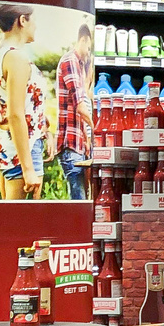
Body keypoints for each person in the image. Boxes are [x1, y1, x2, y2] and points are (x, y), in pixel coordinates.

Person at [0, 3, 49, 201]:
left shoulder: (0, 54)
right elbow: (15, 113)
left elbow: (0, 103)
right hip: (22, 148)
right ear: (22, 20)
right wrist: (28, 168)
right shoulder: (16, 58)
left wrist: (45, 128)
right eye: (34, 20)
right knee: (21, 224)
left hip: (10, 144)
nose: (36, 26)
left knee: (13, 220)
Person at [55, 24, 95, 200]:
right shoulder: (70, 61)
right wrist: (97, 129)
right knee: (78, 199)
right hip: (70, 145)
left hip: (77, 145)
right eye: (89, 48)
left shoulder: (78, 65)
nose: (88, 53)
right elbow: (79, 105)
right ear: (83, 39)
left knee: (82, 199)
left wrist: (87, 140)